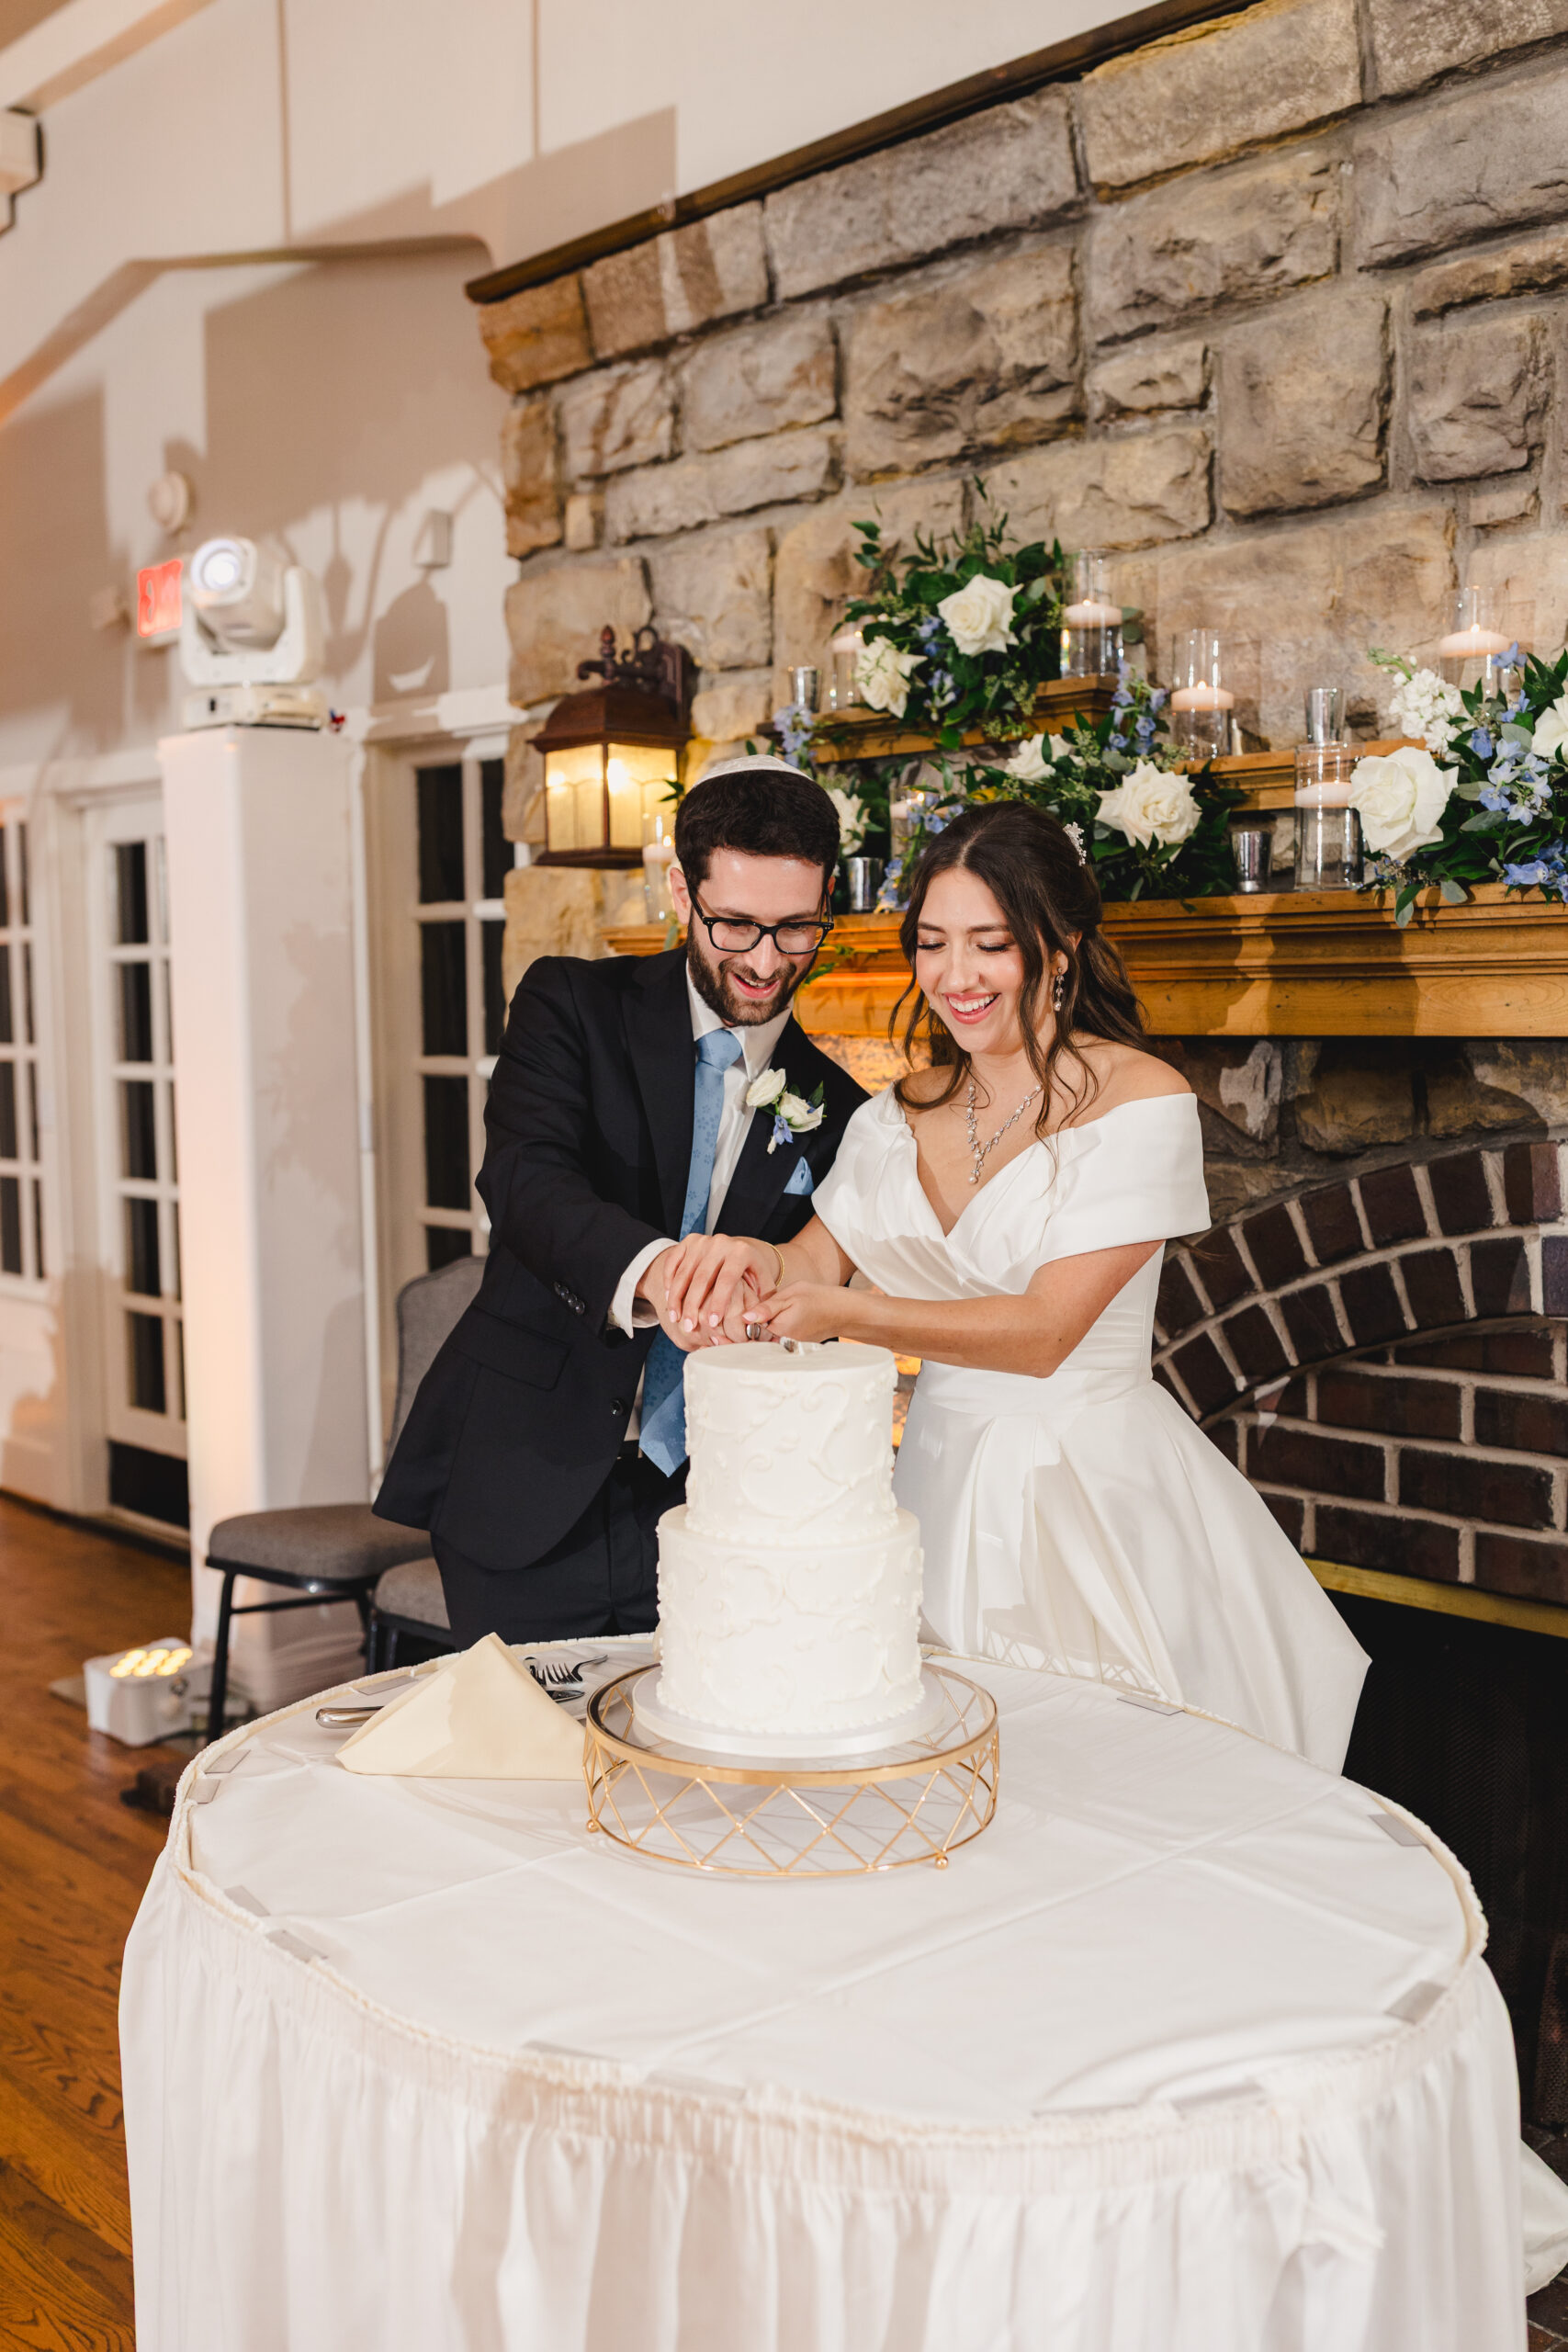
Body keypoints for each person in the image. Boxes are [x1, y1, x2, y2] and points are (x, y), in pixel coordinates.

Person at [661, 799, 1371, 1773]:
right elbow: (814, 1262)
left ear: (1061, 946)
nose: (956, 977)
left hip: (1083, 1491)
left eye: (990, 944)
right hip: (936, 1484)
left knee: (1095, 1778)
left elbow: (1045, 1333)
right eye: (934, 943)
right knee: (937, 1774)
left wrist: (843, 1314)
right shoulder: (897, 1113)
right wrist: (745, 1259)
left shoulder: (1142, 1100)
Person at [374, 758, 865, 1646]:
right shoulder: (569, 1004)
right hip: (528, 1474)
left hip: (716, 1501)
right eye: (735, 925)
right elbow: (525, 1181)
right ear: (682, 890)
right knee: (520, 1769)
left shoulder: (839, 1105)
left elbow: (815, 1287)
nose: (764, 962)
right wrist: (663, 1275)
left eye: (796, 930)